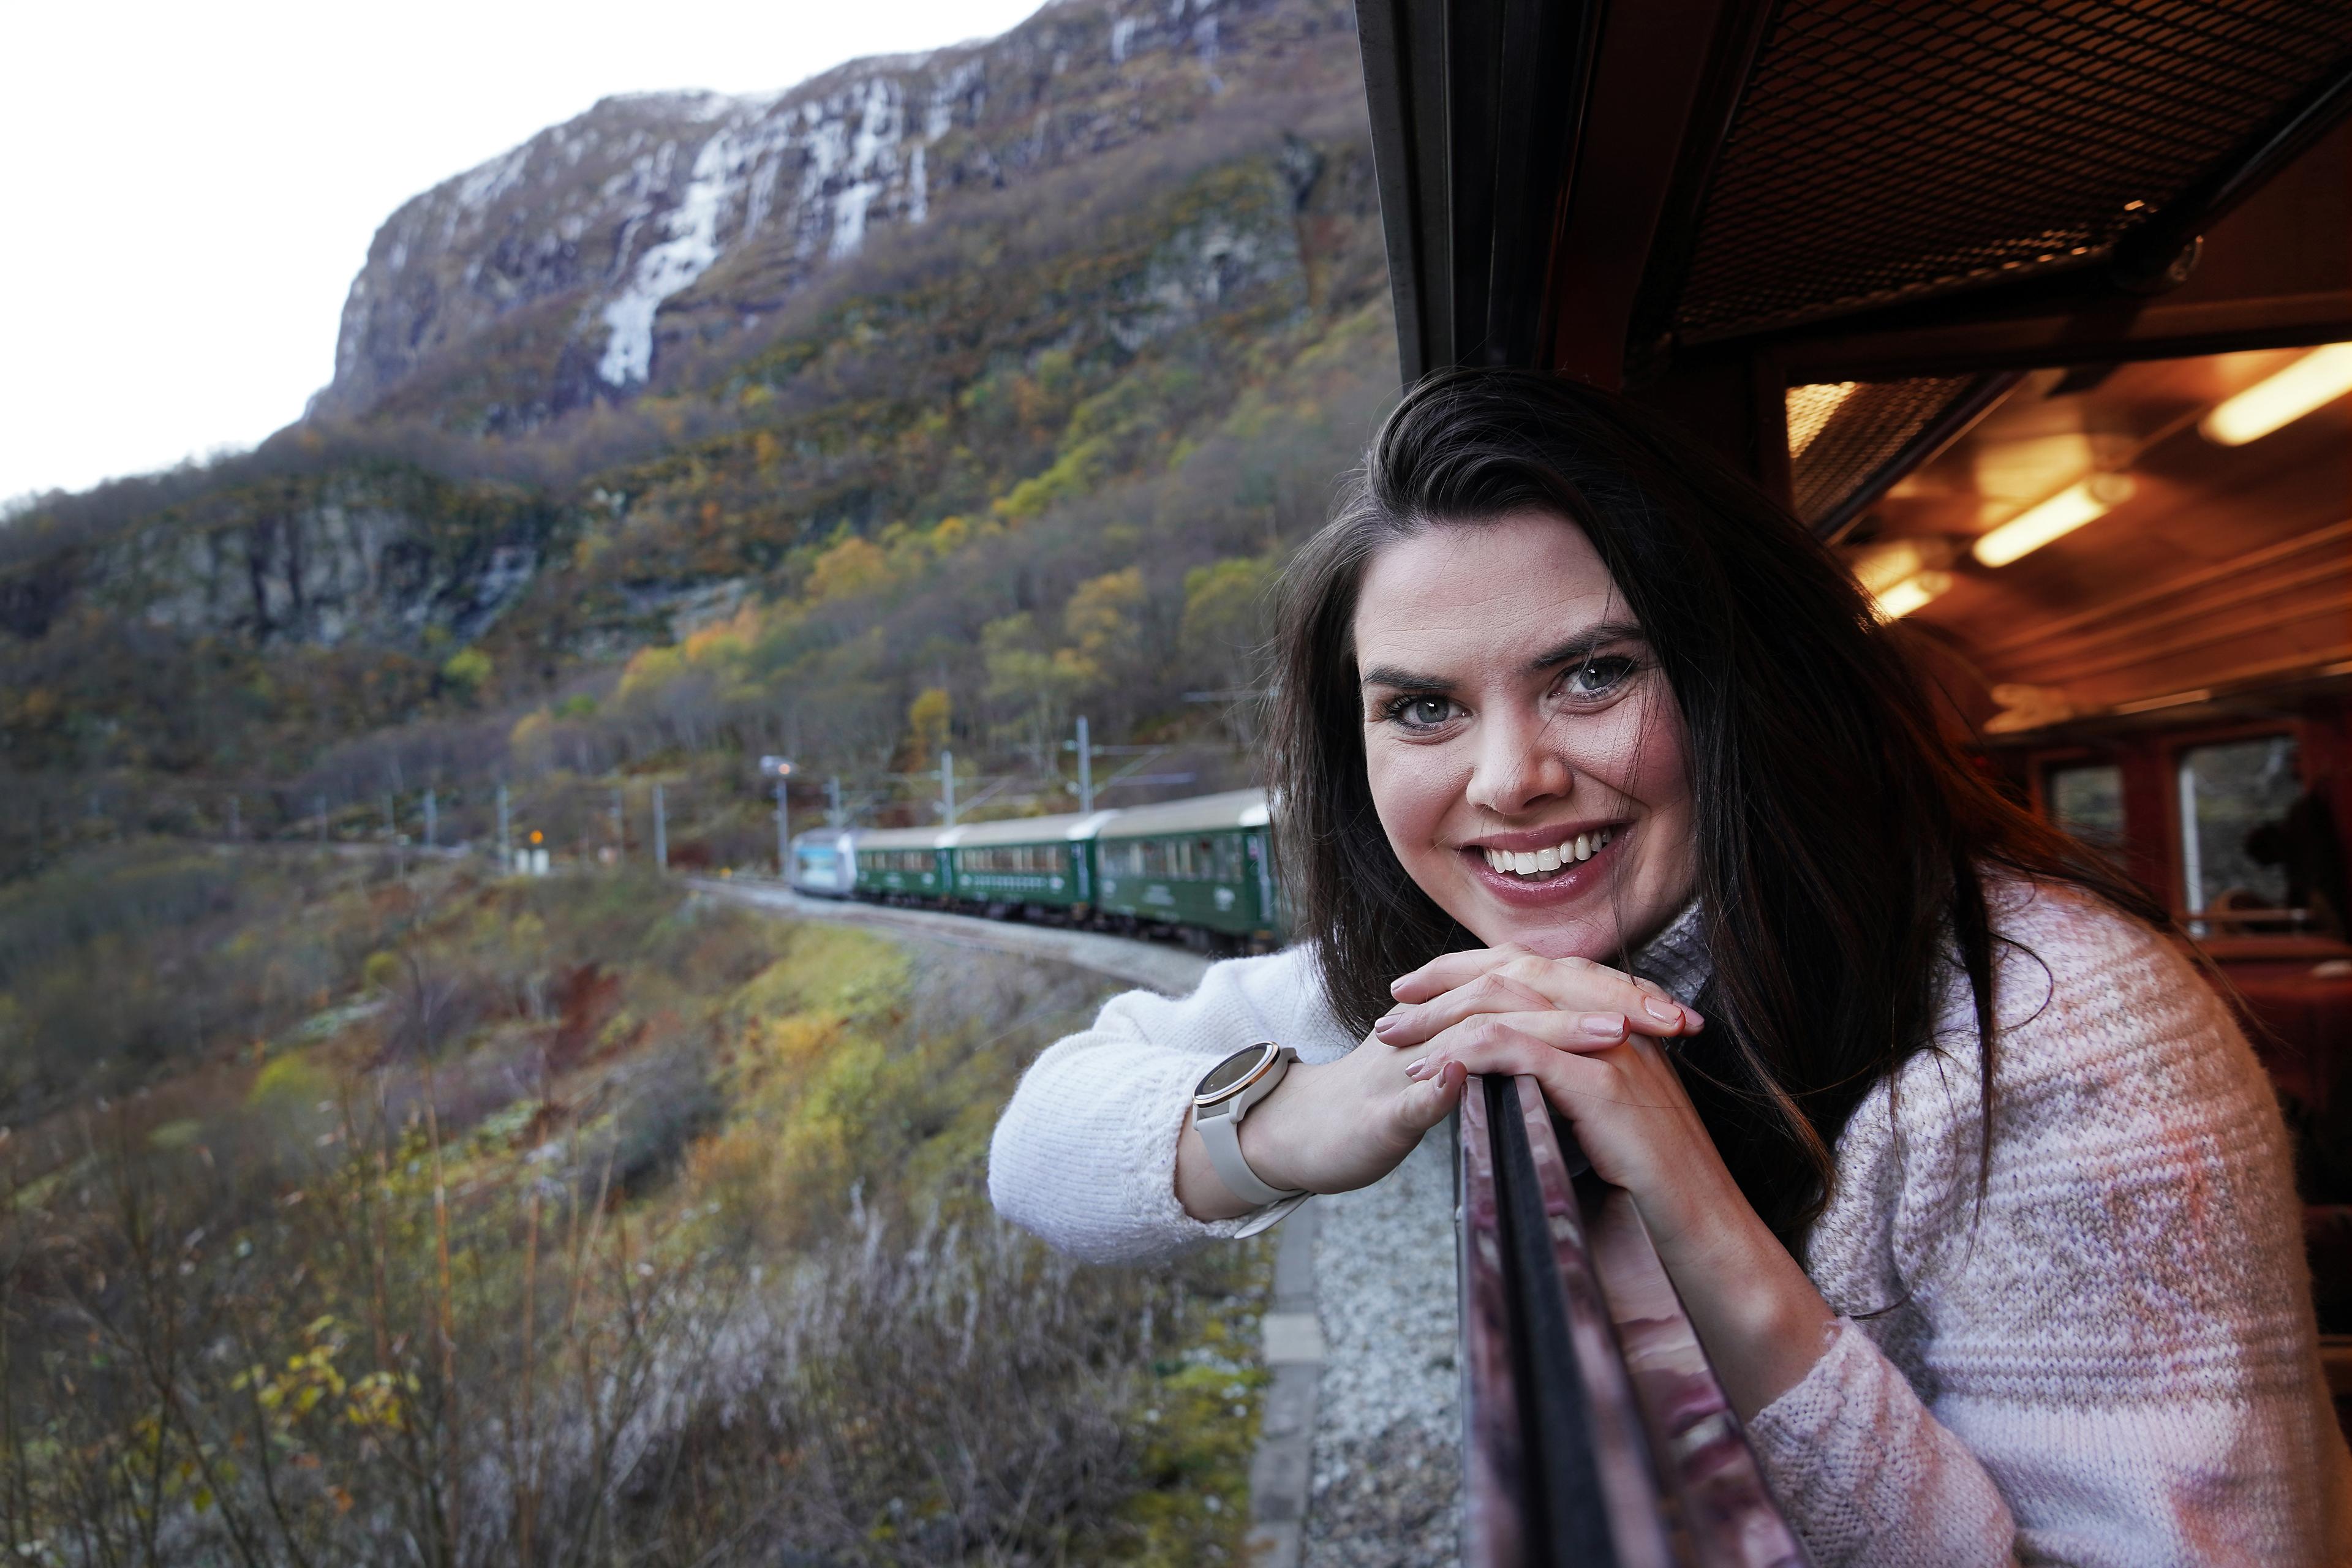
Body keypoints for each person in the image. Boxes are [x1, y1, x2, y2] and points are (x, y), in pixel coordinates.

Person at [987, 368, 2351, 1566]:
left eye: (1592, 675)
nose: (1510, 778)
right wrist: (1308, 1117)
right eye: (1423, 707)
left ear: (1736, 678)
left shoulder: (2061, 1023)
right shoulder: (1460, 970)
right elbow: (1037, 1145)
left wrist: (1698, 1207)